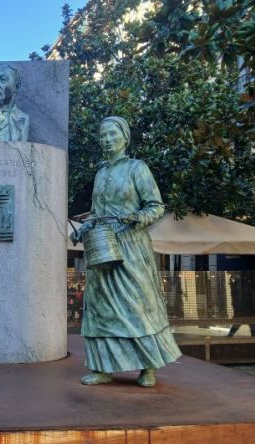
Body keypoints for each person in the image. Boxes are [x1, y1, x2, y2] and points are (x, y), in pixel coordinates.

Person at [70, 116, 181, 387]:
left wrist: (135, 219)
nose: (106, 140)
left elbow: (155, 206)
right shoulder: (101, 173)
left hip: (131, 248)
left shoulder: (137, 168)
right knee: (101, 308)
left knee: (137, 305)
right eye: (103, 135)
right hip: (103, 246)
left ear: (124, 137)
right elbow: (98, 213)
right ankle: (103, 368)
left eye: (112, 134)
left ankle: (147, 367)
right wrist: (84, 228)